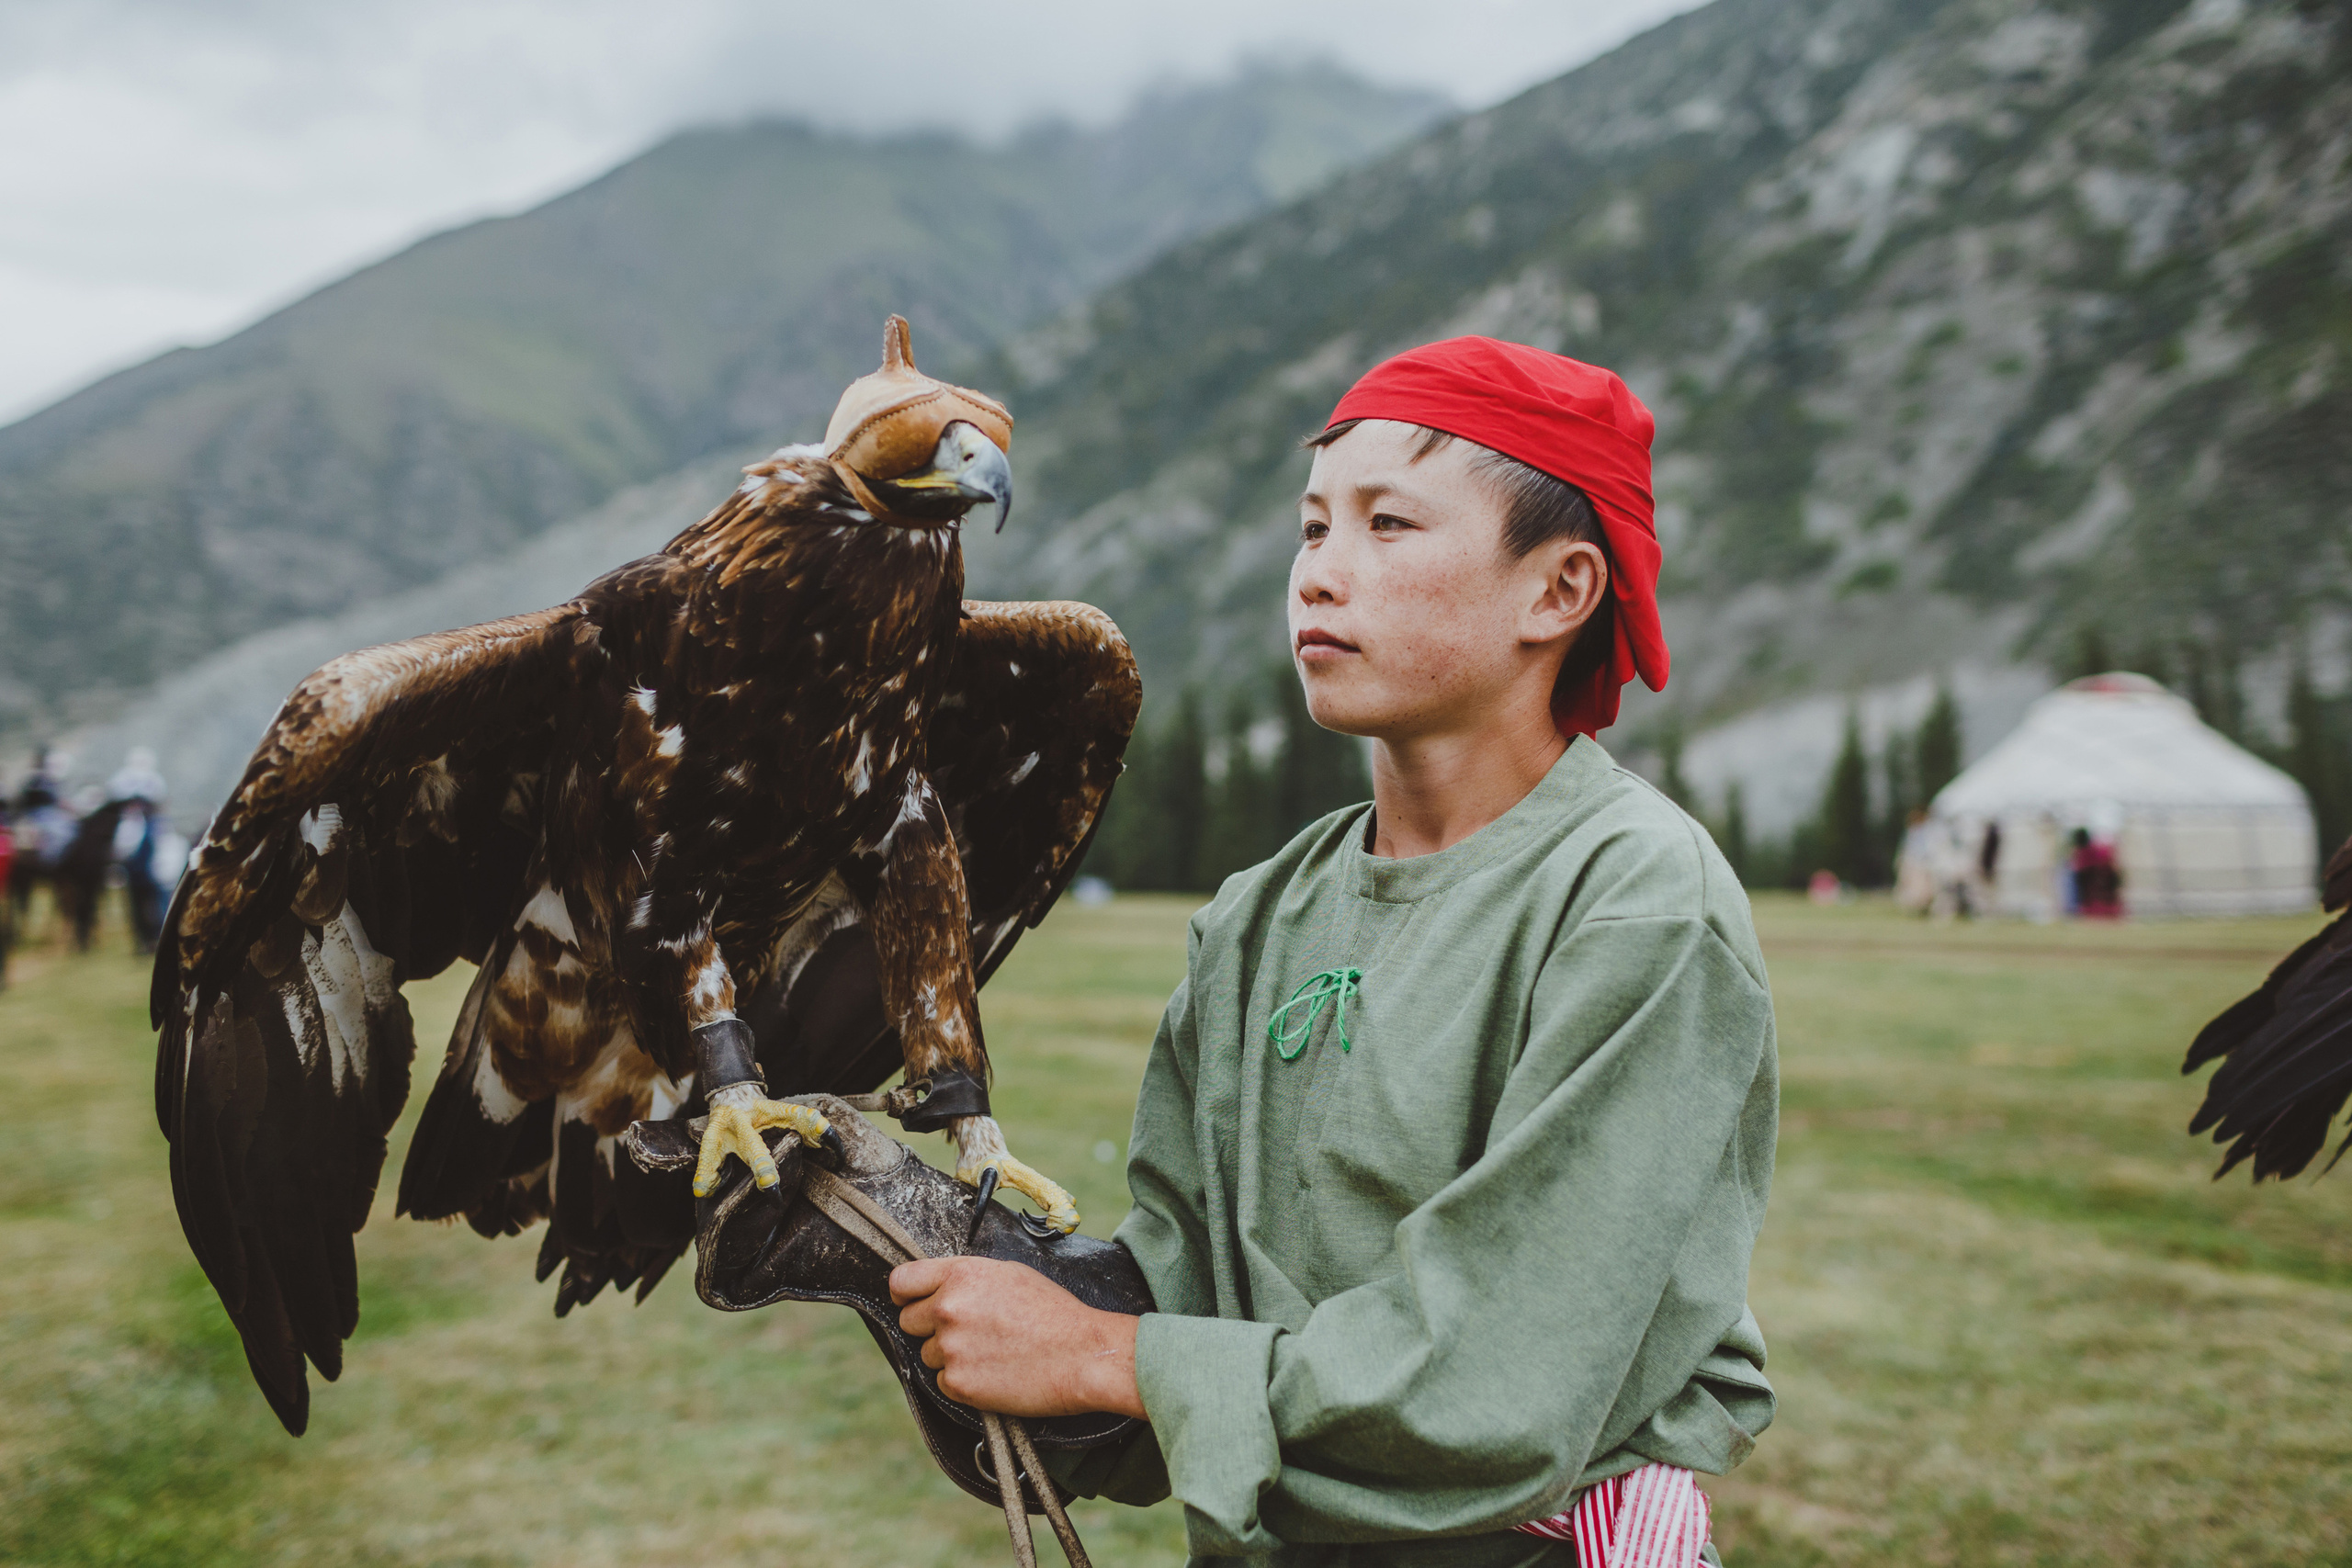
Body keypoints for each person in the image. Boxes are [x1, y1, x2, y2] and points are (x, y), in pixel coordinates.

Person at [889, 338, 1778, 1567]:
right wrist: (936, 1270)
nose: (1320, 573)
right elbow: (1179, 1312)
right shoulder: (1263, 914)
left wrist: (1104, 1356)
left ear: (1559, 593)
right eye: (1313, 529)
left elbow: (1498, 1387)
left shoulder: (1636, 905)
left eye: (1389, 524)